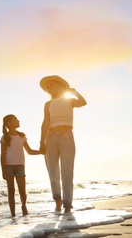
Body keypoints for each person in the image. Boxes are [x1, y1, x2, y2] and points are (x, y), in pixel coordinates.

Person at [39, 75, 87, 213]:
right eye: (48, 87)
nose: (49, 89)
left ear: (59, 86)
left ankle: (67, 205)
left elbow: (83, 103)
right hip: (50, 138)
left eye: (51, 85)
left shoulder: (70, 100)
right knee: (53, 174)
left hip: (67, 138)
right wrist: (42, 142)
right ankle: (58, 202)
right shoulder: (48, 104)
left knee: (67, 174)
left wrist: (75, 92)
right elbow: (45, 123)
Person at [1, 114, 45, 217]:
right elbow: (2, 155)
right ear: (9, 124)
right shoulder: (5, 137)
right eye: (15, 120)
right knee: (11, 191)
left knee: (22, 190)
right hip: (9, 167)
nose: (18, 121)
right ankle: (12, 214)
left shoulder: (22, 136)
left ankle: (24, 206)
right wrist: (3, 171)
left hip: (20, 166)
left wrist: (41, 152)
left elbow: (29, 151)